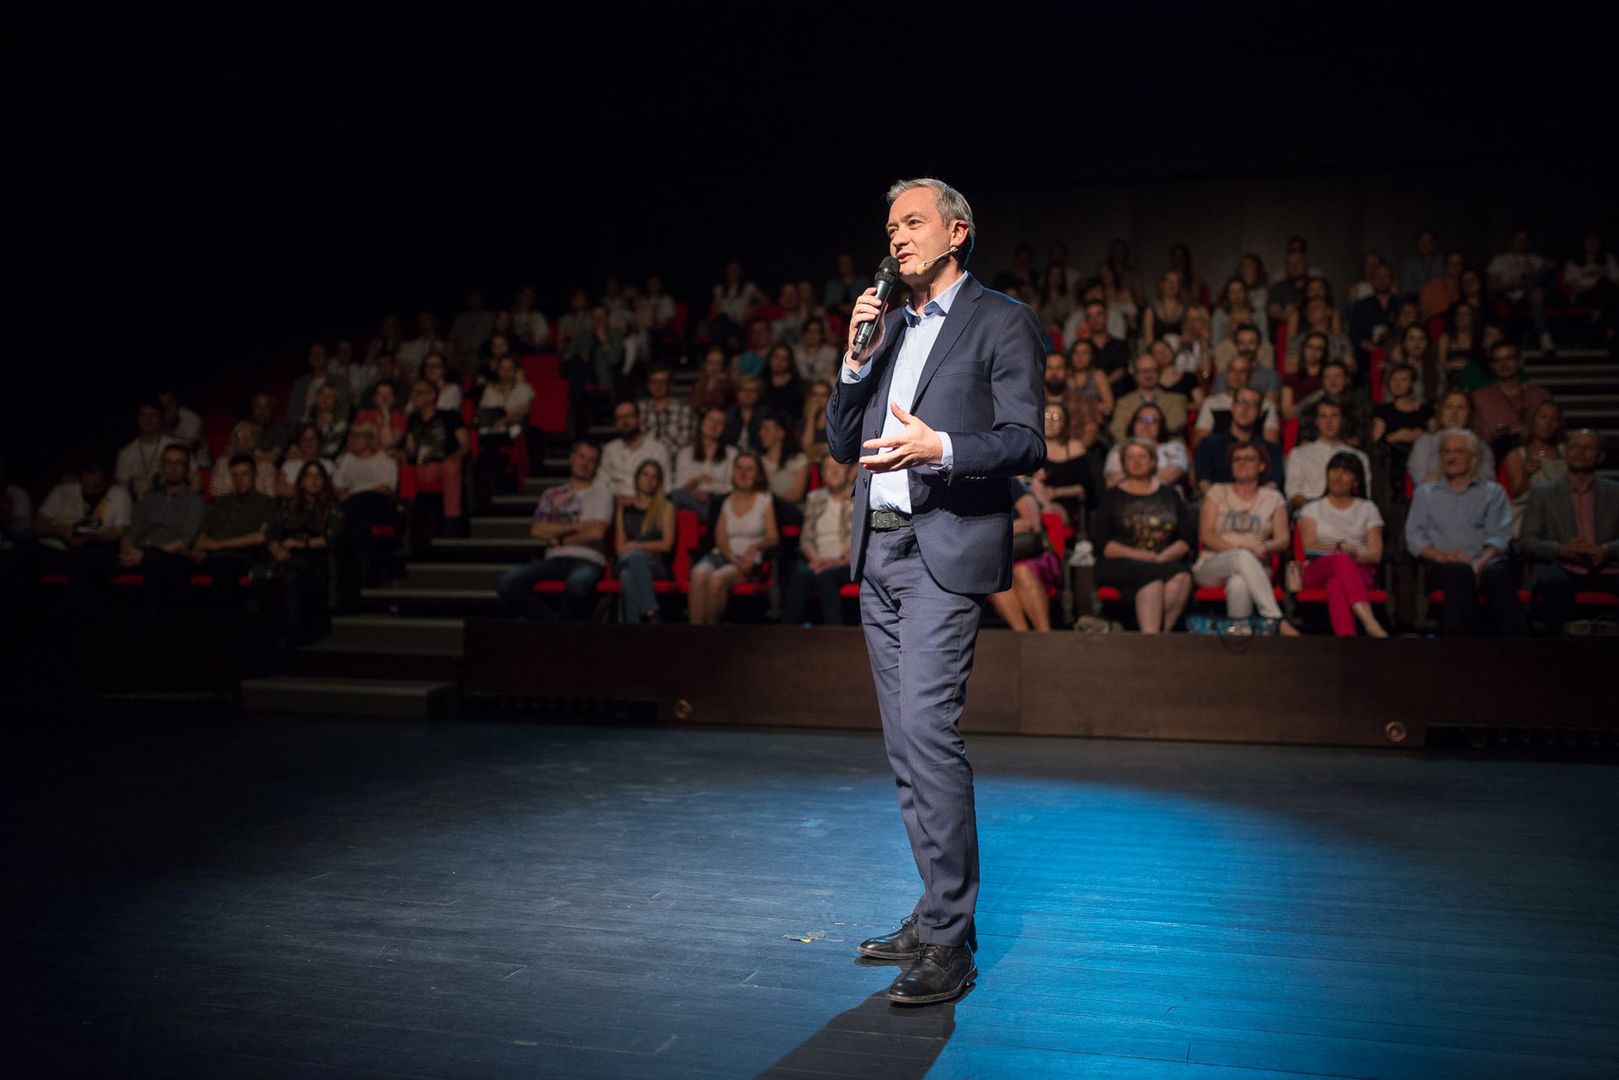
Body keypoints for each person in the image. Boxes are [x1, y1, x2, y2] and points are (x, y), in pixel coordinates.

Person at [826, 177, 1044, 1006]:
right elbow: (842, 439)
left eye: (912, 222)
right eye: (890, 225)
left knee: (927, 732)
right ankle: (934, 910)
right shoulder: (887, 326)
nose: (897, 236)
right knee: (904, 748)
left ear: (956, 233)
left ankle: (950, 937)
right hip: (877, 554)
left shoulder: (1001, 320)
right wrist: (853, 358)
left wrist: (938, 447)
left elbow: (1024, 439)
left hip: (940, 551)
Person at [1405, 429, 1525, 636]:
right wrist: (1443, 556)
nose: (1451, 458)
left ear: (1473, 457)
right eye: (1446, 452)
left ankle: (1516, 649)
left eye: (1458, 452)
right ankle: (1458, 647)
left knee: (1498, 576)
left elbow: (1499, 536)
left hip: (1486, 562)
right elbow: (1414, 538)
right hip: (1444, 565)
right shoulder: (1425, 493)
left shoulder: (1493, 492)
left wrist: (1479, 565)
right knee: (1459, 572)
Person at [495, 441, 613, 621]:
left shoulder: (602, 492)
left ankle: (555, 632)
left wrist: (559, 538)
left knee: (577, 587)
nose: (584, 464)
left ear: (596, 466)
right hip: (554, 559)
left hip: (588, 559)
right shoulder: (552, 494)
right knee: (506, 583)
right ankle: (555, 625)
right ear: (571, 458)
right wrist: (577, 526)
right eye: (581, 457)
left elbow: (596, 532)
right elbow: (537, 529)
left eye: (591, 460)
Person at [1519, 430, 1619, 635]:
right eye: (1575, 446)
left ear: (1600, 456)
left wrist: (1608, 550)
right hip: (1560, 567)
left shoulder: (1615, 492)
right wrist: (1561, 549)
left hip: (1606, 567)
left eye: (1588, 447)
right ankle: (1555, 655)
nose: (1580, 452)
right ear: (1566, 453)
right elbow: (1527, 541)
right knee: (1553, 584)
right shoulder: (1543, 492)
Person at [1094, 437, 1195, 633]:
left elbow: (1186, 538)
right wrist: (1141, 556)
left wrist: (1162, 557)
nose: (1136, 461)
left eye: (1142, 456)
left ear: (1152, 461)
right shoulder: (1111, 497)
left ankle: (1158, 638)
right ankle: (1150, 638)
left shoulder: (1170, 495)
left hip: (1163, 558)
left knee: (1182, 577)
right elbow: (1102, 544)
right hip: (1121, 562)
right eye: (1130, 457)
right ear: (1123, 463)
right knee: (1150, 576)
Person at [1192, 442, 1296, 632]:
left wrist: (1266, 547)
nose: (1241, 463)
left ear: (1262, 466)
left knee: (1239, 584)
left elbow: (1283, 540)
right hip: (1213, 565)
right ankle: (1276, 618)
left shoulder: (1273, 498)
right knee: (1241, 556)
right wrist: (1241, 550)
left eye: (1248, 459)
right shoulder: (1217, 492)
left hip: (1257, 567)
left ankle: (1239, 643)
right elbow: (1206, 535)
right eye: (1237, 459)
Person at [1294, 452, 1388, 637]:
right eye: (1334, 470)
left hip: (1360, 571)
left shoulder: (1368, 508)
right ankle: (1370, 622)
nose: (1338, 476)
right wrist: (1339, 548)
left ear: (1356, 480)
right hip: (1317, 569)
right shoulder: (1312, 509)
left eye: (1346, 471)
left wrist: (1352, 552)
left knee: (1336, 584)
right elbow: (1309, 546)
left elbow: (1376, 554)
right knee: (1339, 560)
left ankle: (1346, 639)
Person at [687, 452, 779, 625]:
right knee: (698, 575)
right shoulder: (725, 502)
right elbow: (720, 540)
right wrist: (732, 559)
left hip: (749, 560)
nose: (743, 473)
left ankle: (711, 637)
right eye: (739, 468)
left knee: (717, 579)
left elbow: (773, 537)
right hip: (724, 555)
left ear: (758, 475)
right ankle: (695, 637)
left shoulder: (764, 501)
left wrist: (755, 547)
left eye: (749, 469)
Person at [118, 444, 206, 609]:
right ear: (162, 467)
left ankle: (151, 624)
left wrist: (144, 554)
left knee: (153, 560)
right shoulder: (148, 499)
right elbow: (131, 532)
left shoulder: (195, 501)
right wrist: (127, 551)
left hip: (175, 559)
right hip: (140, 553)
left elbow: (185, 540)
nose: (173, 468)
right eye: (168, 462)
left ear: (187, 469)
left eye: (179, 463)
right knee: (84, 558)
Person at [263, 460, 340, 645]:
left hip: (316, 558)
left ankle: (289, 637)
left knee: (292, 576)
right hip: (286, 558)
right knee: (268, 577)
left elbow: (331, 539)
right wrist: (276, 549)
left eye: (318, 476)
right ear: (301, 481)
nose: (313, 481)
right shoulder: (289, 506)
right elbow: (271, 534)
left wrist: (300, 544)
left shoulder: (332, 506)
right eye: (308, 476)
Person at [194, 454, 277, 611]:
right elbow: (203, 532)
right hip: (211, 556)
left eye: (244, 474)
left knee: (223, 569)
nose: (239, 479)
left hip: (242, 557)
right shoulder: (220, 503)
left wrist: (217, 545)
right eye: (235, 475)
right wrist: (201, 546)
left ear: (254, 475)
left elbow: (259, 537)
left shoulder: (267, 502)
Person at [780, 455, 855, 626]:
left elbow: (860, 541)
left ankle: (834, 632)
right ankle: (786, 633)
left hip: (846, 562)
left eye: (839, 467)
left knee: (825, 576)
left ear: (849, 472)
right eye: (828, 467)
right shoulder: (814, 498)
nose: (834, 472)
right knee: (801, 573)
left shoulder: (857, 499)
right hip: (818, 560)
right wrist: (816, 559)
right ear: (822, 473)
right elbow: (806, 539)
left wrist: (836, 561)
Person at [331, 423, 400, 610]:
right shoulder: (346, 460)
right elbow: (336, 486)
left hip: (379, 506)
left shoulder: (384, 460)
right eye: (351, 435)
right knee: (353, 515)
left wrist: (353, 494)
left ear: (370, 439)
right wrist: (343, 495)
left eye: (358, 435)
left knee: (362, 504)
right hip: (352, 509)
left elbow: (385, 488)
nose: (352, 439)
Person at [986, 479, 1058, 632]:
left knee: (1022, 572)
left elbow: (1031, 524)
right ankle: (1022, 637)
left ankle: (1044, 635)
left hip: (1030, 555)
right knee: (997, 582)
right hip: (998, 562)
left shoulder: (1011, 484)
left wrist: (993, 533)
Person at [613, 460, 676, 624]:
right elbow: (620, 549)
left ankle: (634, 631)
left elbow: (666, 545)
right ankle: (651, 612)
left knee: (627, 576)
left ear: (659, 482)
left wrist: (637, 546)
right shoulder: (624, 509)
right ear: (637, 477)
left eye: (654, 477)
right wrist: (635, 551)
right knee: (634, 559)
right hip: (626, 560)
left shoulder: (666, 508)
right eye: (645, 474)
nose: (649, 480)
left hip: (655, 565)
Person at [1284, 399, 1371, 512]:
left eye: (1334, 416)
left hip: (1349, 515)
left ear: (1343, 420)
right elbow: (1293, 494)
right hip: (1309, 516)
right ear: (1316, 421)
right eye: (1323, 416)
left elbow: (1364, 496)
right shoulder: (1299, 454)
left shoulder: (1359, 456)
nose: (1329, 422)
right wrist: (1321, 511)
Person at [1472, 341, 1553, 460]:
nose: (1503, 364)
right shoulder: (1479, 397)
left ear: (1520, 361)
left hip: (1537, 459)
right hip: (1493, 460)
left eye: (1509, 358)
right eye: (1498, 360)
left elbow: (1553, 436)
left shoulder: (1540, 396)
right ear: (1492, 365)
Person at [1194, 386, 1282, 496]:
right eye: (1241, 401)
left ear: (1259, 412)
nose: (1245, 408)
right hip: (1217, 504)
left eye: (1252, 404)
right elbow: (1204, 483)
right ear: (1232, 407)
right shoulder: (1208, 445)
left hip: (1258, 507)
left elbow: (1272, 485)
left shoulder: (1271, 450)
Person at [404, 378, 469, 525]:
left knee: (450, 467)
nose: (414, 397)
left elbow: (465, 443)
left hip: (444, 463)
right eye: (413, 393)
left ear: (432, 395)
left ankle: (451, 520)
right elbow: (410, 451)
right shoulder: (412, 420)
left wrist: (456, 456)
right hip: (421, 466)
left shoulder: (450, 416)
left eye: (418, 393)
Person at [1486, 226, 1558, 354]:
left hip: (1536, 298)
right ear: (1511, 241)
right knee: (1535, 291)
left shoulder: (1536, 260)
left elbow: (1551, 270)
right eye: (1518, 239)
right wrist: (1512, 285)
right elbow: (1491, 286)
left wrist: (1526, 285)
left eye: (1524, 239)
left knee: (1538, 287)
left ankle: (1526, 289)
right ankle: (1544, 337)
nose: (1521, 243)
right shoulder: (1501, 260)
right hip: (1511, 299)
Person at [1503, 400, 1568, 537]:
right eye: (1543, 418)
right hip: (1528, 514)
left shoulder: (1566, 453)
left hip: (1560, 514)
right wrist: (1526, 474)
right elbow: (1516, 493)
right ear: (1533, 420)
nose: (1548, 424)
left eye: (1553, 419)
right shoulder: (1516, 455)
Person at [1370, 363, 1435, 497]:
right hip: (1392, 465)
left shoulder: (1426, 410)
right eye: (1394, 379)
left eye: (1403, 380)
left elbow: (1436, 439)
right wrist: (1395, 437)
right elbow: (1374, 443)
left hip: (1423, 464)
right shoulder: (1383, 410)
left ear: (1412, 383)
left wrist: (1422, 437)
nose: (1397, 384)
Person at [1409, 390, 1496, 487]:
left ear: (1469, 413)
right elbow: (1421, 480)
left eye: (1461, 408)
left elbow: (1488, 480)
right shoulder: (1425, 441)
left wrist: (1446, 480)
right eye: (1449, 407)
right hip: (1435, 499)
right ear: (1441, 411)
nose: (1454, 412)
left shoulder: (1480, 445)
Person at [1034, 401, 1102, 527]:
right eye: (1047, 416)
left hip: (1063, 504)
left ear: (1064, 424)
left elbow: (1083, 488)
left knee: (1048, 513)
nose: (1050, 422)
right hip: (1031, 500)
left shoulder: (1074, 448)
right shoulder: (1031, 447)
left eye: (1056, 418)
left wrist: (1055, 492)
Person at [115, 400, 195, 500]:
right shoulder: (126, 453)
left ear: (161, 417)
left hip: (173, 502)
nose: (148, 420)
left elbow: (196, 481)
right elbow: (122, 492)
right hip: (139, 506)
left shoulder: (177, 446)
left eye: (153, 415)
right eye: (143, 415)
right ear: (137, 418)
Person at [600, 401, 673, 509]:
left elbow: (666, 487)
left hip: (649, 505)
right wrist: (616, 498)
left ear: (639, 418)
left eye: (629, 416)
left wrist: (639, 500)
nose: (624, 421)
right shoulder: (610, 449)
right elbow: (602, 482)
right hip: (615, 505)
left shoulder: (657, 449)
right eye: (620, 417)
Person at [1108, 352, 1188, 442]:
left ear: (1159, 373)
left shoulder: (1176, 400)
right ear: (1135, 375)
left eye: (1153, 370)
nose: (1148, 375)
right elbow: (1117, 430)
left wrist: (1137, 422)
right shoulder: (1123, 402)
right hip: (1133, 450)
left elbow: (1174, 425)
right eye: (1144, 371)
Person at [1103, 403, 1187, 489]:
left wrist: (1131, 473)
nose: (1146, 424)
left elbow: (1170, 475)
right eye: (1141, 419)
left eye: (1152, 420)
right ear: (1133, 423)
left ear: (1161, 425)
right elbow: (1112, 481)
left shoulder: (1174, 447)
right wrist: (1153, 473)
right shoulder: (1119, 448)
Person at [671, 406, 736, 516]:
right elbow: (679, 486)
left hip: (720, 502)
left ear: (724, 429)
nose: (714, 425)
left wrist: (711, 493)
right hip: (692, 501)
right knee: (675, 496)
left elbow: (732, 487)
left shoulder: (732, 453)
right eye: (711, 420)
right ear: (702, 423)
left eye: (720, 423)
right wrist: (695, 483)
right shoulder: (685, 453)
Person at [636, 366, 694, 454]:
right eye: (653, 382)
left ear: (670, 385)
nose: (657, 386)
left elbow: (686, 444)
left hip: (674, 461)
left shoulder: (684, 411)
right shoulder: (639, 410)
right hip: (643, 459)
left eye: (662, 382)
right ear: (648, 385)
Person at [213, 421, 278, 497]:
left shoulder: (266, 465)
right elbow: (215, 490)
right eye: (241, 435)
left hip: (258, 506)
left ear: (256, 440)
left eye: (250, 435)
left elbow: (270, 494)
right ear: (234, 440)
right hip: (228, 505)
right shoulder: (222, 463)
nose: (246, 439)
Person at [276, 424, 335, 498]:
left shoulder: (328, 464)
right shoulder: (289, 465)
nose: (308, 442)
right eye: (304, 439)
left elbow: (331, 491)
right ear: (299, 443)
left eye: (312, 438)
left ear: (319, 441)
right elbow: (279, 489)